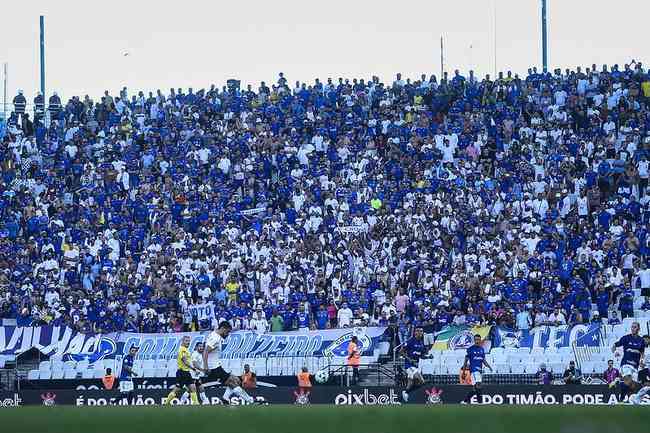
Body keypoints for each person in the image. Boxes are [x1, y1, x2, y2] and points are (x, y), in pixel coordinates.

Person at [202, 321, 256, 405]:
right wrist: (206, 367)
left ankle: (225, 398)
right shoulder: (215, 338)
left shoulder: (216, 334)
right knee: (233, 383)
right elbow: (205, 351)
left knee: (236, 380)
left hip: (217, 366)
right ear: (223, 329)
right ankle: (251, 400)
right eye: (227, 332)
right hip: (213, 368)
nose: (227, 334)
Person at [611, 322, 646, 402]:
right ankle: (621, 399)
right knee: (628, 381)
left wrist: (641, 360)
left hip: (635, 366)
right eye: (632, 327)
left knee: (633, 386)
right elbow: (614, 345)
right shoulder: (626, 338)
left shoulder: (641, 340)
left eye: (635, 327)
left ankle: (619, 383)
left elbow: (642, 353)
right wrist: (615, 352)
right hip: (626, 364)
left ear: (638, 329)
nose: (633, 328)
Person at [165, 335, 199, 405]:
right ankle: (166, 403)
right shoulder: (182, 349)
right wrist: (193, 369)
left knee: (193, 388)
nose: (188, 343)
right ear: (182, 341)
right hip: (182, 372)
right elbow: (184, 361)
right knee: (177, 389)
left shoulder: (185, 349)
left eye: (189, 341)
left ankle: (196, 403)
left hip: (186, 372)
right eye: (186, 341)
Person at [462, 334, 492, 404]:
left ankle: (465, 401)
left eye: (478, 340)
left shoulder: (482, 349)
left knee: (475, 388)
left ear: (480, 340)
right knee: (478, 385)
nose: (477, 341)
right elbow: (466, 361)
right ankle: (480, 402)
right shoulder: (470, 349)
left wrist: (489, 366)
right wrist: (463, 372)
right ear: (474, 340)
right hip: (474, 371)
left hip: (479, 371)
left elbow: (483, 360)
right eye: (476, 340)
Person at [401, 327, 427, 402]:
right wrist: (409, 359)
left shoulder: (421, 343)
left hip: (416, 365)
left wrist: (428, 357)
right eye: (418, 331)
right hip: (409, 365)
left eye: (421, 331)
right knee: (421, 380)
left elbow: (421, 355)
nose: (420, 333)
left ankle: (405, 393)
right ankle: (406, 392)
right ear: (415, 332)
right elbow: (401, 351)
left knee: (411, 382)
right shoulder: (410, 341)